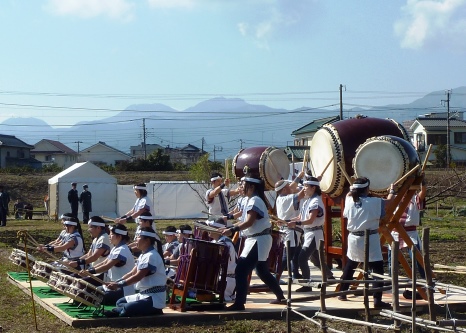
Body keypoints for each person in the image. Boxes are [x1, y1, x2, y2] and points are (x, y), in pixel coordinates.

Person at [220, 175, 285, 311]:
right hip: (256, 239)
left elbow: (249, 222)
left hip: (258, 240)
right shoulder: (251, 200)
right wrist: (229, 228)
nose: (241, 188)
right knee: (262, 271)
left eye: (244, 185)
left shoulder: (255, 200)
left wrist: (232, 230)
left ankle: (239, 303)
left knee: (241, 270)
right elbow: (244, 220)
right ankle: (281, 296)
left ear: (252, 187)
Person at [338, 177, 395, 309]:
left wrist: (353, 188)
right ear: (367, 189)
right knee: (377, 269)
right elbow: (389, 201)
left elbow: (349, 194)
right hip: (370, 237)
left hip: (353, 237)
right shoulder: (374, 202)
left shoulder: (349, 200)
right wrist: (392, 190)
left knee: (351, 264)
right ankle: (377, 300)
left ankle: (342, 292)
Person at [104, 227, 165, 317]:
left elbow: (137, 277)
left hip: (154, 297)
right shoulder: (144, 255)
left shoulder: (151, 256)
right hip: (143, 294)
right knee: (120, 302)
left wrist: (118, 285)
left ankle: (152, 309)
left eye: (138, 237)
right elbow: (132, 273)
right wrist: (115, 282)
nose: (135, 240)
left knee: (128, 309)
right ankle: (127, 309)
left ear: (147, 240)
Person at [287, 177, 334, 291]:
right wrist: (287, 221)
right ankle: (329, 276)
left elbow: (310, 220)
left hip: (314, 233)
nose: (304, 189)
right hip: (309, 233)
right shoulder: (308, 200)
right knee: (316, 259)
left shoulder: (316, 201)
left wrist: (296, 223)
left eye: (306, 186)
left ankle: (307, 285)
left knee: (302, 258)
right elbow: (301, 217)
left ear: (314, 187)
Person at [80, 224, 136, 305]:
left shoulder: (122, 250)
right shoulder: (115, 248)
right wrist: (88, 271)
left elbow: (107, 266)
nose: (109, 236)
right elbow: (104, 262)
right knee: (87, 291)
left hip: (123, 289)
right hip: (112, 285)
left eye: (111, 234)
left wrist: (90, 272)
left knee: (92, 296)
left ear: (119, 237)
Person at [274, 173, 305, 280]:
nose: (291, 188)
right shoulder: (286, 199)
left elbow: (292, 187)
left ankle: (295, 273)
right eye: (287, 187)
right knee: (288, 255)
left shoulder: (281, 197)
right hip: (290, 231)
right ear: (283, 190)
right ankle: (276, 277)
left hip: (290, 230)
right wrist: (311, 183)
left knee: (296, 253)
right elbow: (301, 194)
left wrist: (299, 177)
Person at [70, 216, 111, 283]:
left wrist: (77, 263)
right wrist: (74, 261)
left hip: (101, 273)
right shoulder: (96, 239)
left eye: (90, 227)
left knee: (77, 282)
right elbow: (88, 255)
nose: (88, 229)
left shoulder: (104, 238)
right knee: (71, 277)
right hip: (93, 271)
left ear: (98, 228)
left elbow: (94, 257)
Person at [208, 218, 238, 302]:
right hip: (220, 278)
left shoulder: (225, 243)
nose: (207, 229)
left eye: (210, 227)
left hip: (226, 281)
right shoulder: (215, 241)